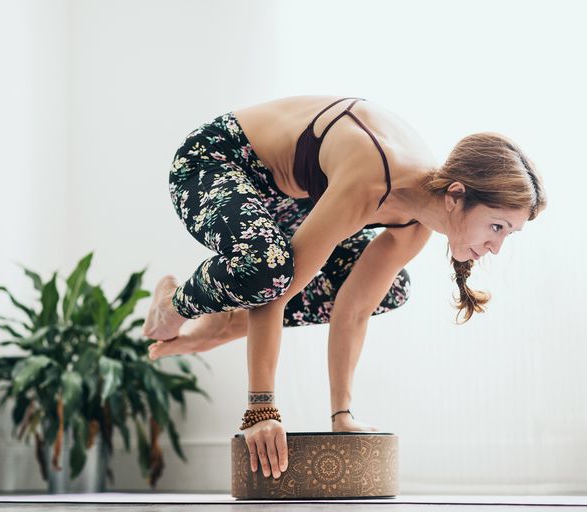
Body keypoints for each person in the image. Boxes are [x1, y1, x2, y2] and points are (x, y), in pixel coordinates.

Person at [142, 95, 547, 481]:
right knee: (270, 268)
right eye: (497, 226)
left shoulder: (414, 226)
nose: (495, 247)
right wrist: (261, 409)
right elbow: (278, 287)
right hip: (216, 160)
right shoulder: (374, 177)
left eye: (508, 235)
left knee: (390, 289)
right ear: (457, 195)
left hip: (284, 201)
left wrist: (342, 416)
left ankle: (222, 324)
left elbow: (351, 310)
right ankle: (176, 305)